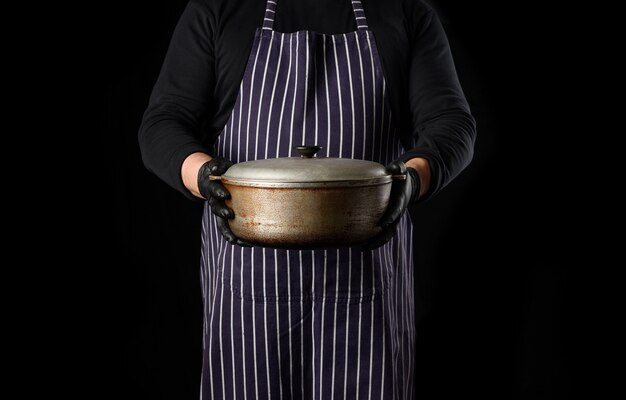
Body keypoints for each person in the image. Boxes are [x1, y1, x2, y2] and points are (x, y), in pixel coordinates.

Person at [138, 0, 475, 398]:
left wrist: (410, 180)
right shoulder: (217, 9)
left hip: (365, 282)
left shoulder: (403, 12)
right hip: (248, 284)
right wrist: (206, 176)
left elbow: (451, 123)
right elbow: (163, 122)